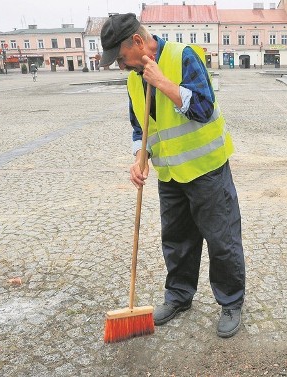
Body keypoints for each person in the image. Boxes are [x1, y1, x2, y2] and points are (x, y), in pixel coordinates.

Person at [99, 13, 246, 338]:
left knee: (222, 239)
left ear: (137, 42)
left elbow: (204, 108)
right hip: (170, 175)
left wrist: (163, 82)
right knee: (177, 241)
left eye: (121, 58)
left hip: (207, 168)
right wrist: (141, 158)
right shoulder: (133, 78)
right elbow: (140, 124)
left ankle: (232, 302)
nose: (121, 66)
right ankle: (179, 296)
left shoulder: (183, 56)